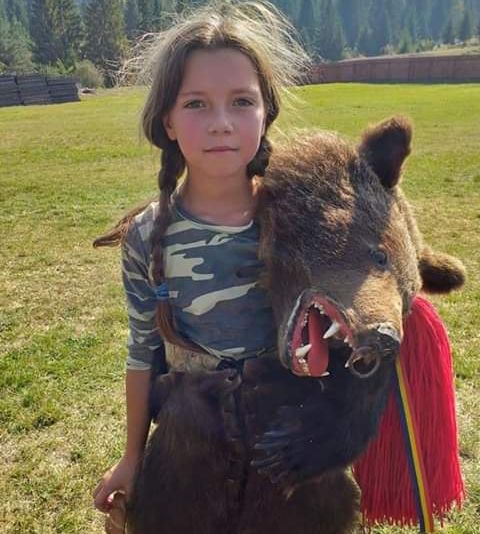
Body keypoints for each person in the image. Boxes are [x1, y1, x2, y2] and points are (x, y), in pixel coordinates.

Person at [92, 1, 309, 530]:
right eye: (196, 104)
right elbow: (142, 351)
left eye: (242, 101)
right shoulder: (146, 237)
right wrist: (133, 457)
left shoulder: (302, 222)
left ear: (266, 113)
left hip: (287, 447)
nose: (221, 124)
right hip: (190, 451)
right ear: (167, 120)